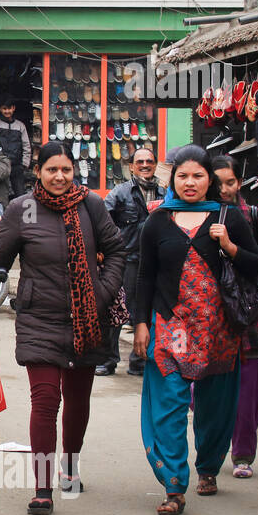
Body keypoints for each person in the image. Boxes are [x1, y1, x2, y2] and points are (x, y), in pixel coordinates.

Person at [0, 142, 125, 515]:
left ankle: (70, 466)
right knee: (45, 401)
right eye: (51, 170)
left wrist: (101, 293)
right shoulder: (20, 208)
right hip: (38, 319)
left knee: (77, 401)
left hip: (87, 320)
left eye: (66, 170)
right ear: (38, 172)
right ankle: (42, 490)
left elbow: (117, 250)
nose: (60, 177)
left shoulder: (91, 205)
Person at [134, 145, 258, 515]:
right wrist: (141, 323)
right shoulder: (157, 220)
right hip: (170, 326)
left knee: (215, 404)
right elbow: (144, 276)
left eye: (198, 176)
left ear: (211, 180)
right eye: (183, 176)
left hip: (218, 329)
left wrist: (229, 245)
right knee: (170, 403)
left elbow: (257, 265)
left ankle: (208, 465)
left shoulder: (230, 217)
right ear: (172, 179)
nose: (190, 183)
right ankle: (174, 486)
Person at [213, 154, 258, 478]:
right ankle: (214, 446)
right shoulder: (200, 216)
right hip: (213, 311)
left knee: (250, 388)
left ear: (239, 182)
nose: (224, 189)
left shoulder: (256, 217)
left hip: (250, 313)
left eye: (230, 182)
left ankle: (242, 455)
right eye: (219, 182)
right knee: (204, 388)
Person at [100, 145, 166, 376]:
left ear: (155, 164)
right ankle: (108, 361)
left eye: (149, 161)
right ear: (131, 166)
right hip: (126, 259)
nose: (145, 165)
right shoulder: (120, 193)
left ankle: (139, 363)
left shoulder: (165, 194)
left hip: (154, 262)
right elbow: (103, 221)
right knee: (116, 310)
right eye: (140, 162)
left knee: (145, 311)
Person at [0, 101, 32, 199]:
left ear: (14, 108)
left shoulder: (20, 126)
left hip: (16, 166)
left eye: (9, 108)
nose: (7, 111)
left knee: (20, 196)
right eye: (4, 108)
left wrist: (24, 164)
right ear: (0, 109)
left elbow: (26, 145)